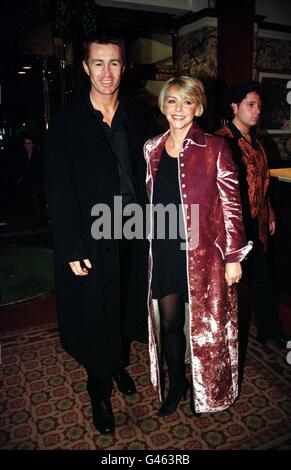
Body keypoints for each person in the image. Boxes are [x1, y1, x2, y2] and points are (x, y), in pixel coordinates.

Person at [45, 36, 154, 435]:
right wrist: (71, 245)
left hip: (135, 229)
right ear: (86, 68)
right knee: (94, 313)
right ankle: (99, 388)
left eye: (114, 64)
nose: (106, 72)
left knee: (125, 305)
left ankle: (117, 365)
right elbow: (56, 186)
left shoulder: (139, 115)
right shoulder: (66, 119)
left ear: (124, 68)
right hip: (91, 235)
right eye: (98, 64)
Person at [143, 76, 252, 417]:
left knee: (210, 327)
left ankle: (211, 390)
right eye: (172, 101)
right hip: (165, 250)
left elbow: (233, 206)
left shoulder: (216, 148)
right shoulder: (151, 148)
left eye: (186, 101)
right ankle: (177, 383)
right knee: (171, 323)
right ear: (163, 105)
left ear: (198, 107)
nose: (178, 109)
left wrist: (234, 257)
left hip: (206, 254)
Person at [216, 81, 291, 349]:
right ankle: (223, 340)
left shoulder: (258, 142)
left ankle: (269, 330)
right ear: (234, 107)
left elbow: (263, 183)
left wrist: (269, 212)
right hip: (234, 228)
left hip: (257, 224)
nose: (257, 110)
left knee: (263, 280)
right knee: (229, 287)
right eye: (250, 105)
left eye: (259, 105)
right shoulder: (221, 140)